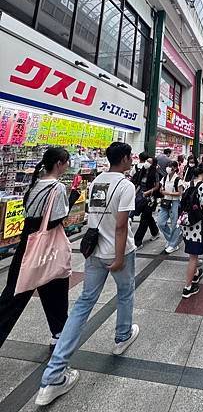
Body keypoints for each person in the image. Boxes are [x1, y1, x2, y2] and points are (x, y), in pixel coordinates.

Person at [36, 142, 138, 406]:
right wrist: (118, 258)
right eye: (130, 157)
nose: (131, 160)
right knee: (125, 293)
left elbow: (94, 217)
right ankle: (122, 336)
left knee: (83, 305)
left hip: (92, 252)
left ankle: (53, 375)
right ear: (125, 159)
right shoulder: (126, 185)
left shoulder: (96, 184)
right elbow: (121, 226)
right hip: (118, 253)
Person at [0, 147, 71, 348]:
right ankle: (58, 333)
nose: (67, 166)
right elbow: (55, 218)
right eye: (66, 162)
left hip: (27, 242)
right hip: (47, 247)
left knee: (16, 293)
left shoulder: (35, 184)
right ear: (59, 163)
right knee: (53, 289)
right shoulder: (56, 188)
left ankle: (58, 332)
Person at [178, 164, 203, 298]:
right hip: (197, 227)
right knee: (193, 258)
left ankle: (196, 274)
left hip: (186, 224)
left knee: (192, 254)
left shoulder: (188, 184)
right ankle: (188, 287)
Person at [133, 156, 160, 248]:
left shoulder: (155, 173)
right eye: (146, 161)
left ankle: (137, 241)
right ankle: (155, 232)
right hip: (141, 197)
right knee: (148, 217)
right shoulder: (142, 172)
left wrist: (148, 192)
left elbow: (157, 186)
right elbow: (139, 184)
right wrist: (135, 194)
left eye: (149, 162)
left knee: (144, 218)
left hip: (150, 199)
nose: (146, 163)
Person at [158, 161, 183, 254]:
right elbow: (161, 189)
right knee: (160, 222)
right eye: (168, 166)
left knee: (174, 224)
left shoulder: (178, 180)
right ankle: (172, 239)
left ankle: (173, 244)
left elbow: (180, 193)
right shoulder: (164, 178)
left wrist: (168, 193)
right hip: (165, 202)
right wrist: (162, 191)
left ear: (175, 168)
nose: (169, 168)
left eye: (171, 167)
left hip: (174, 202)